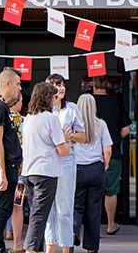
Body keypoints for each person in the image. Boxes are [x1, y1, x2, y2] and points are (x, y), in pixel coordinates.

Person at [22, 82, 73, 253]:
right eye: (54, 96)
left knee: (37, 216)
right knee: (39, 217)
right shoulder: (51, 119)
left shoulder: (29, 118)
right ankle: (30, 250)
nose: (55, 100)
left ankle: (36, 250)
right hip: (46, 173)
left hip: (28, 172)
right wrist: (66, 138)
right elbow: (64, 151)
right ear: (48, 98)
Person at [44, 74, 86, 253]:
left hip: (67, 158)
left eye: (62, 85)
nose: (61, 88)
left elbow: (83, 136)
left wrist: (67, 136)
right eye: (56, 85)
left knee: (65, 206)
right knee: (48, 208)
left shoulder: (72, 108)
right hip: (48, 159)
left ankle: (66, 249)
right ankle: (50, 248)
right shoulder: (43, 110)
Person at [0, 67, 24, 253]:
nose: (20, 88)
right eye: (17, 84)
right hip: (6, 165)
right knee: (3, 209)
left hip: (9, 164)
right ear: (7, 84)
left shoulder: (1, 105)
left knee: (3, 207)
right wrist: (2, 171)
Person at [73, 94, 112, 253]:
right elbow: (108, 150)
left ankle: (73, 232)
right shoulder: (101, 124)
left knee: (76, 205)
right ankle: (91, 248)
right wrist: (104, 166)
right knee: (94, 210)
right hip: (96, 169)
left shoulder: (73, 126)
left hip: (77, 169)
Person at [92, 76, 131, 236]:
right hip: (113, 153)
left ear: (93, 86)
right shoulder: (116, 104)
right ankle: (110, 224)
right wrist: (113, 137)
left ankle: (89, 226)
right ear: (107, 86)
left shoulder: (87, 103)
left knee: (90, 191)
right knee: (111, 190)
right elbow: (127, 130)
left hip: (88, 156)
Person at [5, 93, 27, 253]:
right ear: (17, 102)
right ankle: (17, 244)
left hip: (0, 171)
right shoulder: (24, 122)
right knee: (17, 206)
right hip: (20, 170)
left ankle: (1, 237)